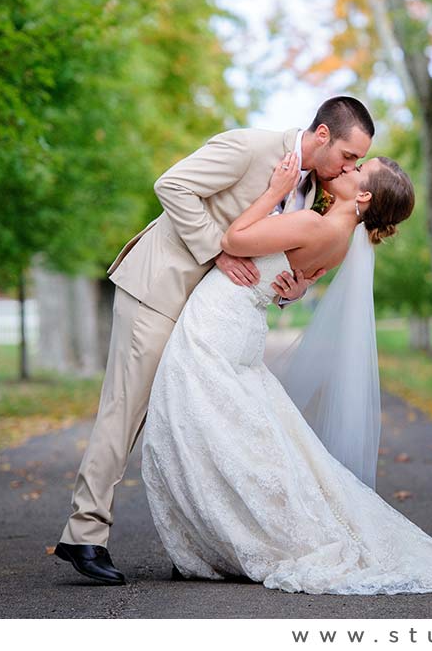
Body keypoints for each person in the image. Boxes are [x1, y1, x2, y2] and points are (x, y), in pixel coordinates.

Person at [141, 155, 432, 595]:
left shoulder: (314, 225)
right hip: (242, 326)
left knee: (199, 427)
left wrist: (276, 191)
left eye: (355, 171)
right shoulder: (342, 239)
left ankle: (225, 538)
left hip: (220, 322)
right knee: (231, 432)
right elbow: (290, 281)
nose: (345, 171)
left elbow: (235, 238)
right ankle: (220, 536)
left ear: (363, 194)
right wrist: (298, 291)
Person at [53, 95, 375, 586]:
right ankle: (83, 535)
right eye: (350, 156)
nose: (351, 167)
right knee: (127, 412)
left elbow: (276, 261)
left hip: (208, 318)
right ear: (324, 135)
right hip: (159, 290)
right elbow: (172, 185)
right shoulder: (251, 148)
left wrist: (292, 290)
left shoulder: (311, 194)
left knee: (189, 425)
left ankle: (202, 542)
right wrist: (214, 250)